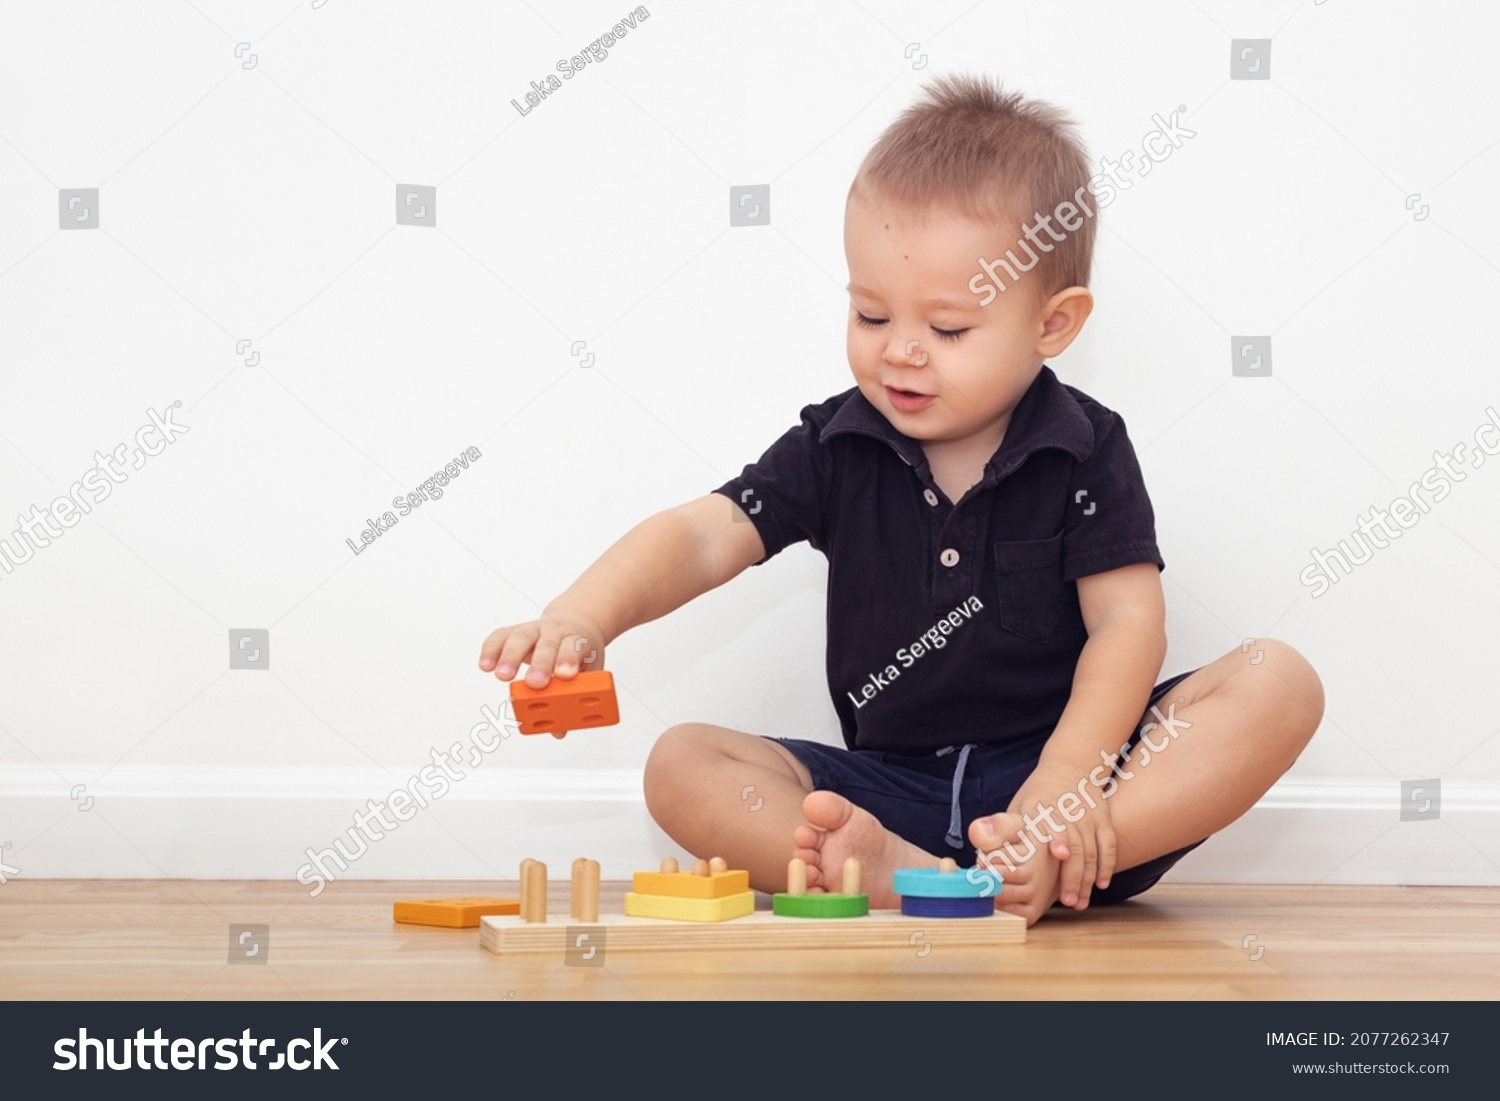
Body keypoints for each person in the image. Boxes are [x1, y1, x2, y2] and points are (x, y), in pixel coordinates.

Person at [479, 74, 1324, 926]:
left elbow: (1127, 622)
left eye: (947, 329)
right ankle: (900, 873)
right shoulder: (836, 444)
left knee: (1276, 681)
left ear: (1053, 324)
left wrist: (1068, 782)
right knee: (680, 761)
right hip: (893, 795)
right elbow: (704, 535)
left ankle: (1044, 861)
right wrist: (582, 614)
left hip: (1069, 789)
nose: (901, 353)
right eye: (872, 316)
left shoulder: (1085, 447)